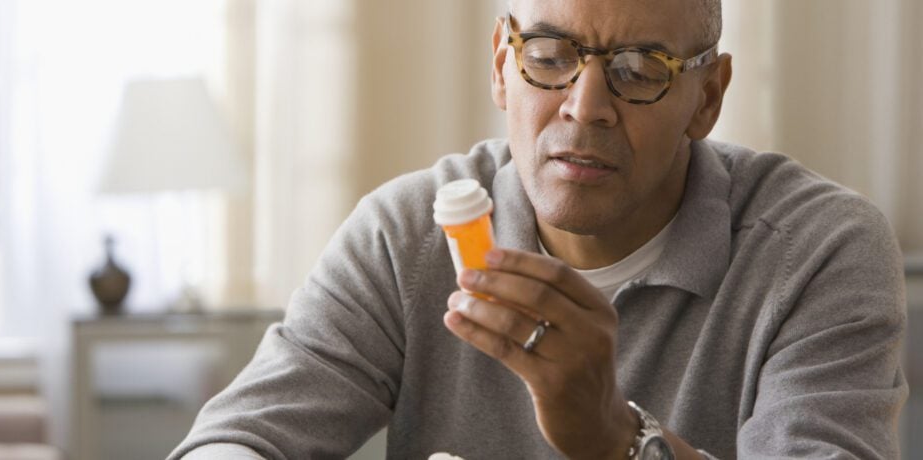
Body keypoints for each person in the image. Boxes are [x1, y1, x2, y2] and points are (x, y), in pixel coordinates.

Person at [169, 0, 908, 458]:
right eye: (550, 58)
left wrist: (616, 440)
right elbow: (240, 437)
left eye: (639, 69)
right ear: (501, 66)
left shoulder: (819, 251)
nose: (585, 107)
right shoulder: (409, 235)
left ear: (707, 97)